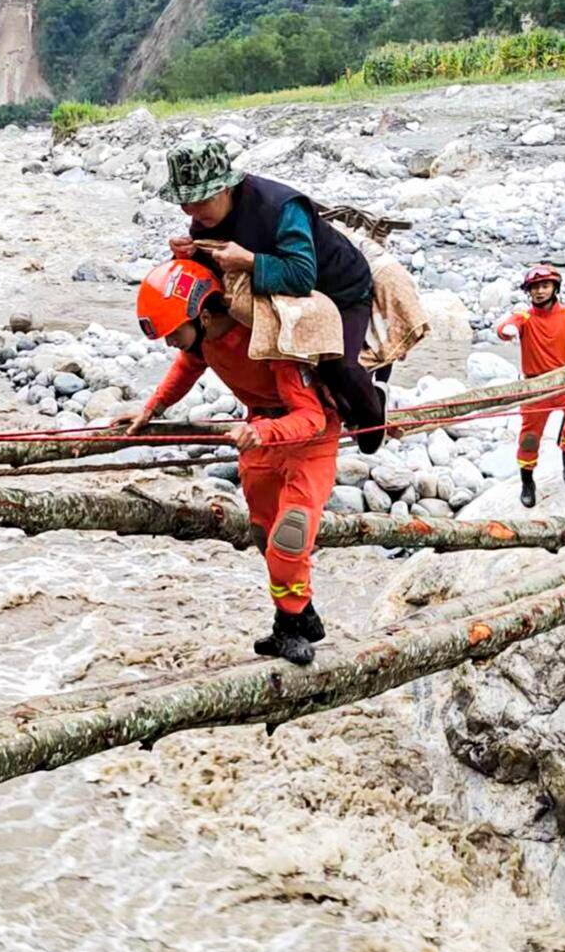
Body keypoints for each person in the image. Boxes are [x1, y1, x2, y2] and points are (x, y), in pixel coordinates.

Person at [127, 259, 335, 664]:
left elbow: (310, 416)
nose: (171, 343)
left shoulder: (267, 336)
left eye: (173, 334)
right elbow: (187, 366)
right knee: (263, 533)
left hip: (309, 441)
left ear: (203, 315)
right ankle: (302, 611)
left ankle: (289, 627)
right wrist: (150, 410)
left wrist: (262, 433)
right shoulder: (203, 342)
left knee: (289, 538)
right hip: (259, 432)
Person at [160, 140, 389, 453]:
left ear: (225, 188)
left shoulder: (280, 207)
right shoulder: (205, 220)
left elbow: (302, 275)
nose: (192, 212)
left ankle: (374, 412)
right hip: (283, 296)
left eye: (200, 202)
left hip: (340, 288)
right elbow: (211, 274)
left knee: (337, 366)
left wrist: (251, 261)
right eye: (185, 204)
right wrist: (186, 258)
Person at [497, 265, 565, 507]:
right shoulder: (525, 318)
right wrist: (507, 331)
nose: (539, 291)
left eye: (545, 286)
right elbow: (505, 328)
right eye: (535, 287)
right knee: (529, 439)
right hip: (537, 387)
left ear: (554, 288)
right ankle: (528, 482)